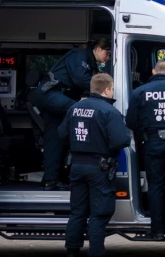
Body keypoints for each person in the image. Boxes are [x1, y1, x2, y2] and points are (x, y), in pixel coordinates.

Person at [59, 73, 131, 257]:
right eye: (112, 89)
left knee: (78, 211)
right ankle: (95, 252)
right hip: (99, 168)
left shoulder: (74, 108)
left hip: (76, 165)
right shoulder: (109, 111)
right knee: (99, 213)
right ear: (107, 89)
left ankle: (72, 251)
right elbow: (121, 140)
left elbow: (62, 135)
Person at [32, 38, 112, 190]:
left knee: (56, 139)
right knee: (83, 110)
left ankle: (51, 180)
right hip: (51, 94)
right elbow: (80, 79)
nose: (106, 58)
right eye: (107, 54)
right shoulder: (79, 55)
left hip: (58, 98)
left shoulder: (89, 62)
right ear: (99, 48)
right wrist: (104, 90)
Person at [125, 60, 165, 241]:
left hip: (151, 143)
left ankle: (157, 231)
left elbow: (130, 122)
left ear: (154, 71)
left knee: (155, 187)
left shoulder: (139, 92)